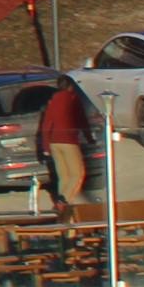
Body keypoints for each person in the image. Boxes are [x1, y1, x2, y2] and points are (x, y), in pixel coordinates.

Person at [38, 79, 91, 213]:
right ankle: (64, 201)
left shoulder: (53, 100)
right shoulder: (73, 99)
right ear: (71, 86)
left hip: (54, 142)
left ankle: (61, 207)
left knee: (64, 176)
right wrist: (89, 136)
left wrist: (46, 145)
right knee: (77, 174)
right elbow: (81, 119)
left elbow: (46, 123)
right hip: (69, 141)